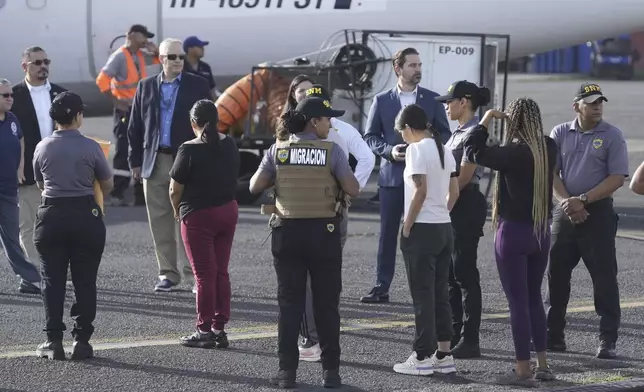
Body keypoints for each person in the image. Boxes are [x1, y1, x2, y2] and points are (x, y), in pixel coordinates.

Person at [249, 96, 360, 389]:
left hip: (288, 234)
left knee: (289, 305)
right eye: (326, 119)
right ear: (313, 122)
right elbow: (353, 188)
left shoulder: (278, 150)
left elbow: (254, 186)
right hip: (323, 235)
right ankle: (331, 373)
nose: (329, 123)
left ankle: (286, 373)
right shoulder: (332, 152)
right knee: (326, 306)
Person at [464, 100, 557, 387]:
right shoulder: (548, 147)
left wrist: (487, 118)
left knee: (517, 301)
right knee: (533, 298)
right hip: (540, 231)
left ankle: (522, 369)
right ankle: (542, 363)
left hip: (513, 232)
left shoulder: (512, 153)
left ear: (512, 120)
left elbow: (473, 150)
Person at [291, 82, 375, 362]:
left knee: (310, 278)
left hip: (310, 212)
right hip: (332, 209)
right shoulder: (335, 133)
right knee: (325, 274)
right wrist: (350, 192)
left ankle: (312, 337)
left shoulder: (335, 134)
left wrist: (351, 191)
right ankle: (322, 335)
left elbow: (366, 158)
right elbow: (365, 158)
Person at [545, 83, 628, 360]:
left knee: (604, 277)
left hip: (598, 212)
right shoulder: (559, 133)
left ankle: (607, 340)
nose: (597, 106)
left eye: (600, 102)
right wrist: (569, 203)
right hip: (565, 211)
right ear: (576, 106)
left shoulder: (612, 135)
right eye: (591, 102)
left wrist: (583, 199)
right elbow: (551, 173)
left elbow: (617, 178)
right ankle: (553, 335)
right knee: (556, 275)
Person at [362, 47, 451, 304]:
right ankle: (381, 286)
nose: (418, 69)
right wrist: (390, 151)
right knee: (388, 234)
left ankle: (427, 287)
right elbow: (370, 137)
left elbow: (444, 135)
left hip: (425, 178)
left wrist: (422, 147)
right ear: (398, 68)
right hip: (392, 177)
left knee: (424, 232)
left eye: (420, 65)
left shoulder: (432, 100)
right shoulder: (381, 101)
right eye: (412, 65)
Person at [32, 91, 113, 360]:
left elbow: (40, 183)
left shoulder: (43, 146)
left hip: (52, 214)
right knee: (85, 281)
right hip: (84, 214)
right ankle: (82, 341)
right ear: (78, 116)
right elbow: (107, 182)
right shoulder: (91, 147)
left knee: (52, 280)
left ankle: (53, 340)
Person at [127, 38, 211, 292]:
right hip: (154, 160)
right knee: (160, 220)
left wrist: (204, 158)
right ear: (161, 59)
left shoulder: (198, 84)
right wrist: (135, 162)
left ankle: (194, 274)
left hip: (186, 159)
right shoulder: (145, 86)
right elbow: (135, 127)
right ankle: (168, 274)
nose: (178, 61)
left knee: (189, 219)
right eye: (172, 57)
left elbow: (208, 124)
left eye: (181, 57)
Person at [391, 104, 459, 377]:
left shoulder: (416, 150)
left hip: (422, 229)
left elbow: (420, 191)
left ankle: (421, 356)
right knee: (440, 293)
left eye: (402, 133)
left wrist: (407, 226)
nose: (402, 138)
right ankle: (444, 353)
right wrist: (441, 212)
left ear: (408, 128)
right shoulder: (445, 149)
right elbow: (453, 193)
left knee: (422, 295)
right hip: (444, 227)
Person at [169, 99, 240, 349]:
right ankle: (219, 328)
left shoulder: (188, 149)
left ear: (193, 123)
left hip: (198, 215)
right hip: (227, 210)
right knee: (221, 271)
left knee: (203, 275)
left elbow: (174, 189)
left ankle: (204, 330)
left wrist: (177, 211)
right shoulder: (229, 144)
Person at [435, 81, 490, 358]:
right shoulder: (457, 132)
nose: (446, 106)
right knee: (450, 275)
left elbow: (464, 178)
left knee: (464, 273)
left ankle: (471, 338)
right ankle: (454, 333)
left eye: (450, 101)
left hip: (464, 204)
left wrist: (444, 210)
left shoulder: (473, 133)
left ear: (464, 102)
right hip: (452, 204)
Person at [11, 46, 67, 292]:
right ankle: (34, 274)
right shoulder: (12, 96)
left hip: (59, 172)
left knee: (58, 224)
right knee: (29, 225)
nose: (43, 66)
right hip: (27, 172)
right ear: (25, 67)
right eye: (37, 62)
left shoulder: (61, 94)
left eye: (46, 61)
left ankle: (54, 272)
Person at [96, 24, 159, 207]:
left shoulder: (139, 55)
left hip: (139, 109)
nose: (145, 40)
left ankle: (140, 193)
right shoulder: (120, 56)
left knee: (142, 147)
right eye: (143, 36)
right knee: (124, 150)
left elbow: (159, 62)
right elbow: (102, 80)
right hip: (125, 110)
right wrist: (115, 101)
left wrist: (155, 51)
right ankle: (118, 193)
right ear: (131, 35)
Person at [0, 78, 42, 294]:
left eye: (11, 94)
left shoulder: (12, 119)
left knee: (11, 237)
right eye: (5, 95)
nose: (10, 98)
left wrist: (21, 166)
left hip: (7, 190)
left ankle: (29, 279)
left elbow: (22, 139)